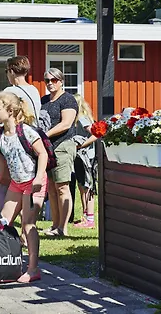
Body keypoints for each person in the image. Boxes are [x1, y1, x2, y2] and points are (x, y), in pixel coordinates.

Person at [0, 91, 48, 283]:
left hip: (33, 182)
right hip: (16, 183)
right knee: (3, 222)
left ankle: (33, 268)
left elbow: (43, 154)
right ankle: (8, 263)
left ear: (10, 110)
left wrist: (39, 177)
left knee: (28, 224)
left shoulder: (26, 131)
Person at [0, 56, 42, 211]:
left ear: (11, 71)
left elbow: (1, 117)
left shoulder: (9, 92)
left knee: (6, 179)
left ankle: (2, 211)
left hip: (16, 138)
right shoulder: (34, 90)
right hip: (31, 139)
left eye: (6, 71)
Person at [40, 68, 78, 237]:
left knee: (62, 186)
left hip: (63, 145)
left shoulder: (68, 99)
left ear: (61, 81)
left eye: (54, 80)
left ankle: (63, 228)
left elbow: (66, 124)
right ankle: (55, 225)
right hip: (47, 148)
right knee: (52, 188)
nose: (50, 83)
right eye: (47, 80)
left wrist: (44, 135)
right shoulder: (44, 100)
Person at [72, 94, 97, 229]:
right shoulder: (77, 119)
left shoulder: (82, 118)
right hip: (80, 156)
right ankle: (85, 216)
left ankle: (90, 219)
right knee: (81, 186)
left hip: (86, 157)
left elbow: (96, 133)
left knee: (87, 187)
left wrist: (82, 145)